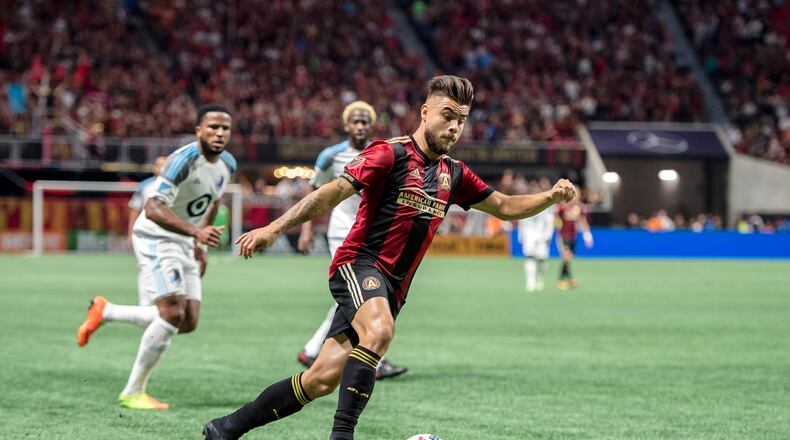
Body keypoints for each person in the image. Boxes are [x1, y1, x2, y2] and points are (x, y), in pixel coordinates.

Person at [203, 76, 576, 440]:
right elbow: (329, 194)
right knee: (380, 330)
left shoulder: (454, 174)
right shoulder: (389, 153)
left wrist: (550, 196)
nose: (455, 127)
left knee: (319, 380)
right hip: (359, 265)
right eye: (448, 115)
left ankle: (227, 428)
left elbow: (505, 206)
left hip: (393, 289)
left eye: (461, 120)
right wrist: (273, 228)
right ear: (425, 111)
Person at [76, 104, 236, 409]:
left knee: (187, 321)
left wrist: (200, 244)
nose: (219, 133)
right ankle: (133, 391)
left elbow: (214, 201)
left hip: (187, 240)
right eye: (213, 127)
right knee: (172, 314)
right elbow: (151, 207)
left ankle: (105, 311)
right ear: (198, 130)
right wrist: (196, 233)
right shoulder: (183, 160)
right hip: (156, 237)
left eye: (225, 128)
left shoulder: (228, 163)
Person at [296, 100, 408, 380]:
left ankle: (312, 350)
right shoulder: (330, 156)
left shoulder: (381, 151)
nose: (360, 126)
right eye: (355, 122)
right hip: (343, 231)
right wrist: (307, 230)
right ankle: (373, 361)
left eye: (364, 122)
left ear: (371, 125)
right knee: (364, 294)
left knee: (353, 296)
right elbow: (314, 194)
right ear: (346, 125)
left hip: (372, 234)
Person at [517, 178, 556, 291]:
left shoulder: (546, 205)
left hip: (542, 236)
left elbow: (550, 221)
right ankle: (530, 282)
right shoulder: (525, 204)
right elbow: (521, 220)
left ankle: (540, 279)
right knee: (529, 258)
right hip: (529, 236)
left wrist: (548, 235)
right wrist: (521, 236)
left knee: (542, 259)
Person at [555, 188, 593, 290]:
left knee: (568, 259)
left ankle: (569, 279)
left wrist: (587, 236)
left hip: (573, 237)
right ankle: (561, 280)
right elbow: (556, 220)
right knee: (566, 257)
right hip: (563, 236)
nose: (576, 197)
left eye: (577, 194)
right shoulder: (562, 208)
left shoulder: (580, 208)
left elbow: (583, 222)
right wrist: (556, 229)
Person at [127, 155, 168, 245]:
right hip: (147, 232)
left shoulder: (178, 186)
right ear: (154, 168)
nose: (161, 168)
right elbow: (135, 210)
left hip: (169, 234)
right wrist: (131, 234)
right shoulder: (144, 186)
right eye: (158, 165)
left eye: (164, 165)